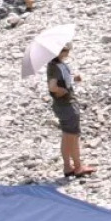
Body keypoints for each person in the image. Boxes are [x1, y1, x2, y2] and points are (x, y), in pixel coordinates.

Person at [47, 41, 91, 177]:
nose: (68, 51)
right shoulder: (55, 67)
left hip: (61, 106)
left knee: (66, 136)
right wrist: (63, 90)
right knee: (72, 137)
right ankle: (78, 167)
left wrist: (73, 80)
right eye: (66, 49)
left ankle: (67, 167)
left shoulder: (54, 65)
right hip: (67, 106)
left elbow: (60, 81)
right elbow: (52, 86)